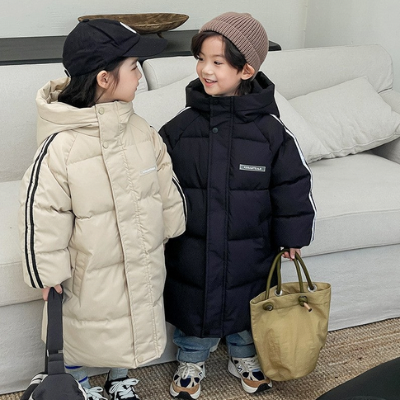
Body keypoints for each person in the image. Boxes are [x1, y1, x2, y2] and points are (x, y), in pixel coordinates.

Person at [19, 19, 186, 400]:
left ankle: (118, 377)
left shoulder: (140, 130)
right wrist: (47, 272)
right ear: (104, 78)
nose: (141, 76)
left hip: (139, 254)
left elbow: (164, 181)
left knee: (132, 314)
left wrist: (170, 226)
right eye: (134, 67)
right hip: (89, 266)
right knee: (85, 326)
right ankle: (75, 380)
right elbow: (43, 211)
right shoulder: (61, 147)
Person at [159, 12, 316, 399]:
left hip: (252, 245)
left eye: (217, 62)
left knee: (250, 302)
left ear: (246, 70)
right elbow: (157, 182)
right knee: (193, 300)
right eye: (201, 59)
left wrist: (293, 235)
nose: (205, 69)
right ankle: (191, 358)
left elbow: (293, 184)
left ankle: (244, 355)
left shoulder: (271, 132)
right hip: (192, 243)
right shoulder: (179, 128)